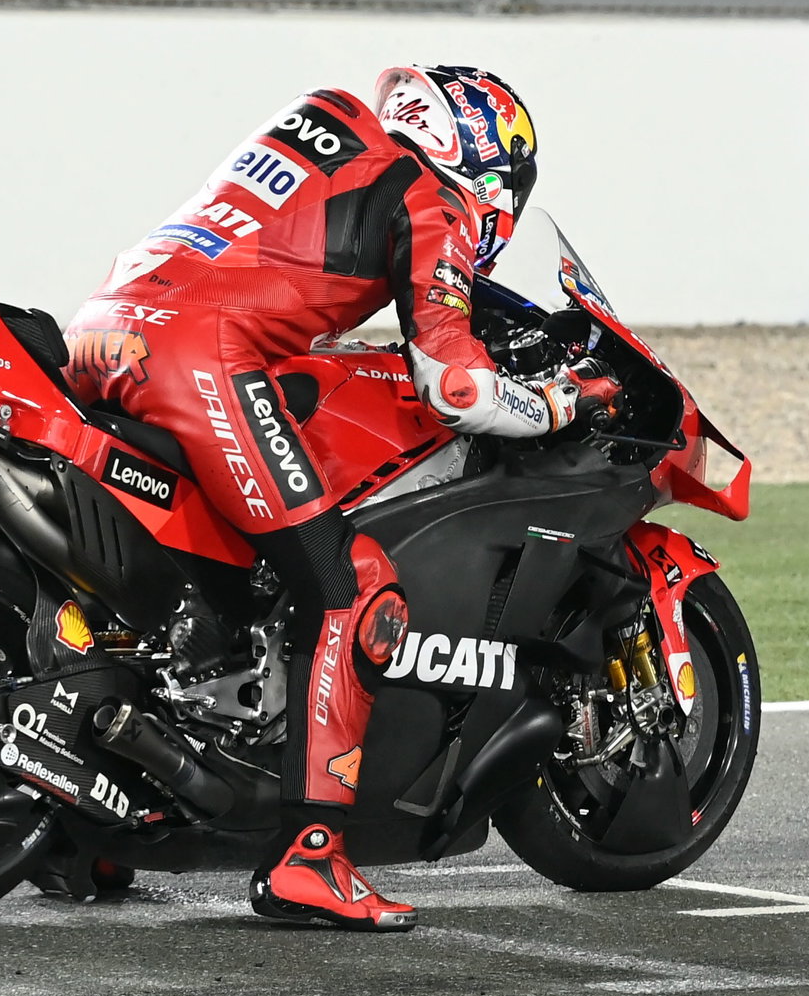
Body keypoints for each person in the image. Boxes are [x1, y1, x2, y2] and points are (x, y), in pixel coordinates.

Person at [63, 64, 614, 931]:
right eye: (510, 182)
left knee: (208, 579)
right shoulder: (433, 197)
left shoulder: (323, 122)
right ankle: (310, 855)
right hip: (197, 356)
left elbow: (265, 262)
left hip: (103, 333)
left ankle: (89, 822)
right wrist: (557, 401)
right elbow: (455, 388)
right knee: (350, 585)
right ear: (487, 162)